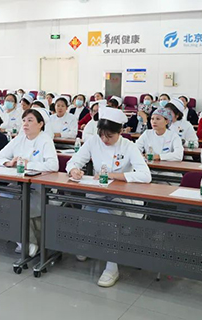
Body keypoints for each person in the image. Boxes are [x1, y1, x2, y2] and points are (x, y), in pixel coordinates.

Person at [66, 107, 151, 288]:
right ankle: (87, 244)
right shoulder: (93, 141)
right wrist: (74, 170)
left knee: (105, 215)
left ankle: (112, 266)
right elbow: (74, 161)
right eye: (102, 135)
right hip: (98, 194)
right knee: (87, 212)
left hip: (122, 198)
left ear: (120, 132)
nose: (104, 140)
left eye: (109, 136)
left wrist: (114, 175)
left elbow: (145, 175)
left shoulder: (129, 146)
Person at [0, 108, 58, 257]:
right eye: (23, 120)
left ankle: (29, 242)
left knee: (20, 205)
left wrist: (29, 164)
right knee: (4, 198)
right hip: (18, 186)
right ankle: (25, 241)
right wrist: (9, 163)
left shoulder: (45, 140)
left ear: (40, 124)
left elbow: (53, 165)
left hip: (39, 189)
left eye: (30, 120)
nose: (25, 124)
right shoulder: (19, 139)